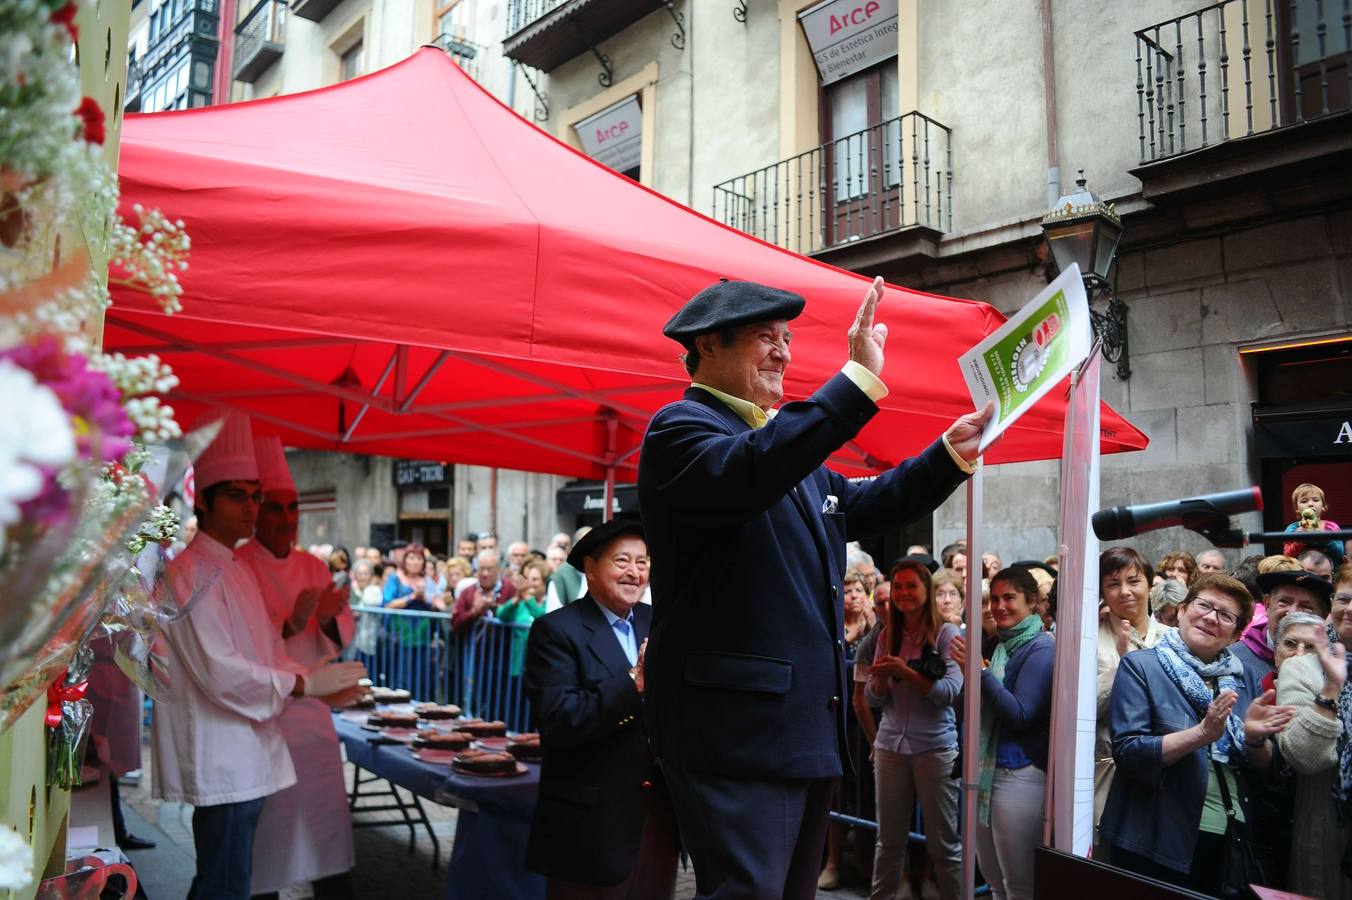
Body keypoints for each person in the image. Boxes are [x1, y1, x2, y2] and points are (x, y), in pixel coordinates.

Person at [637, 278, 990, 898]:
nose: (784, 353)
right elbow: (752, 469)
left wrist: (946, 456)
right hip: (737, 736)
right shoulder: (682, 430)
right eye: (765, 338)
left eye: (788, 339)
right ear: (706, 348)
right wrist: (855, 381)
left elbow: (860, 500)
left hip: (797, 734)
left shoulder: (781, 448)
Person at [152, 413, 365, 900]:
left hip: (253, 748)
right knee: (225, 883)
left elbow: (266, 648)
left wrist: (315, 679)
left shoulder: (233, 567)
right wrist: (305, 685)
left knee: (231, 879)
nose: (251, 508)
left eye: (256, 495)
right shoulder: (191, 572)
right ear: (201, 500)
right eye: (237, 496)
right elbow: (220, 670)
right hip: (224, 755)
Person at [1100, 573, 1293, 895]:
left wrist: (1254, 739)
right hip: (1156, 838)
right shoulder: (1142, 666)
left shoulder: (1244, 678)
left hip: (1231, 839)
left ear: (1236, 634)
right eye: (1203, 606)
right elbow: (1131, 752)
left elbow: (1269, 773)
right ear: (1181, 610)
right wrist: (1202, 734)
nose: (1210, 618)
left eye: (1225, 615)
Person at [523, 520, 679, 898]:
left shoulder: (655, 622)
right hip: (589, 819)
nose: (634, 572)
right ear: (590, 567)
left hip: (657, 812)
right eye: (622, 560)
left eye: (643, 562)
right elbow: (560, 718)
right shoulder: (556, 630)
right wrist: (633, 681)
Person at [237, 437, 358, 900]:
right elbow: (244, 650)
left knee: (328, 834)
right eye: (276, 508)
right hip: (266, 722)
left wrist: (326, 616)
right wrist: (292, 624)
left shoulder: (313, 566)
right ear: (256, 510)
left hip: (314, 725)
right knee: (265, 844)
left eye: (293, 509)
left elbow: (342, 633)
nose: (287, 520)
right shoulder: (239, 566)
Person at [865, 559, 963, 900]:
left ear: (928, 590)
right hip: (890, 745)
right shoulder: (886, 634)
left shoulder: (948, 634)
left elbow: (950, 693)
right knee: (888, 843)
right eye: (899, 586)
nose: (904, 593)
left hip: (935, 748)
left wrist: (906, 673)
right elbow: (873, 698)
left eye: (911, 586)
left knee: (945, 846)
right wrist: (879, 682)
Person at [957, 566, 1053, 900]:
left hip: (1020, 776)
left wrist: (981, 674)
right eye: (994, 599)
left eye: (1008, 598)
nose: (998, 606)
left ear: (1032, 602)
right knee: (995, 880)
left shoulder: (1042, 648)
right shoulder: (995, 644)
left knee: (1020, 886)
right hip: (986, 774)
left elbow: (1021, 715)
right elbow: (965, 709)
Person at [1273, 564, 1352, 900]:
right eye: (1345, 598)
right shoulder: (1301, 666)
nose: (1351, 609)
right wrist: (1332, 687)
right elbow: (1303, 756)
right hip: (1330, 834)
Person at [1094, 548, 1169, 851]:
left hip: (1162, 774)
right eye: (1113, 584)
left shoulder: (1172, 639)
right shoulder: (1087, 638)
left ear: (1150, 585)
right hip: (1104, 774)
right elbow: (1082, 707)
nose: (1124, 591)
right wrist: (1126, 666)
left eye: (1133, 581)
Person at [819, 567, 874, 890]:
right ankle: (833, 861)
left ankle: (864, 860)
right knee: (837, 795)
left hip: (863, 725)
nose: (853, 597)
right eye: (847, 591)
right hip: (835, 719)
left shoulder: (874, 630)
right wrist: (851, 636)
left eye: (858, 591)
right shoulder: (832, 626)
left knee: (865, 793)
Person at [1232, 568, 1335, 684]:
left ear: (1323, 617)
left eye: (1306, 606)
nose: (1292, 612)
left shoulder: (1334, 666)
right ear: (1267, 604)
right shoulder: (1233, 660)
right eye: (1284, 601)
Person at [497, 557, 549, 677]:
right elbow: (501, 615)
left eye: (535, 579)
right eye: (528, 579)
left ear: (544, 581)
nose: (530, 583)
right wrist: (516, 599)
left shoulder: (550, 602)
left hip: (540, 666)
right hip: (519, 666)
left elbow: (543, 618)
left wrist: (527, 598)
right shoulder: (521, 603)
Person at [450, 549, 515, 632]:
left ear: (498, 569)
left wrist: (493, 607)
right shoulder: (468, 592)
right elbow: (455, 623)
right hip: (474, 643)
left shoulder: (509, 588)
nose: (485, 574)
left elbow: (515, 616)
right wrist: (474, 612)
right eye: (481, 569)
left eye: (489, 569)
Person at [1283, 481, 1345, 562]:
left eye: (1315, 500)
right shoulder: (1292, 529)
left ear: (1323, 506)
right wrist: (1300, 541)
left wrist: (1325, 538)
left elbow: (1340, 555)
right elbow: (1287, 557)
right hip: (1301, 571)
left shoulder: (1332, 527)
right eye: (1304, 501)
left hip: (1329, 571)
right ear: (1297, 509)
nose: (1310, 504)